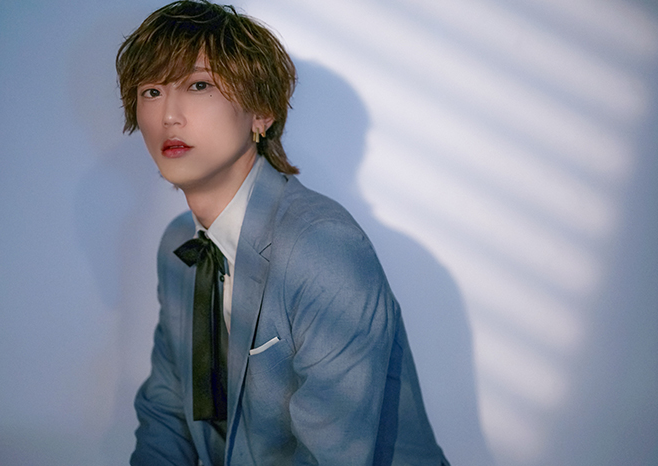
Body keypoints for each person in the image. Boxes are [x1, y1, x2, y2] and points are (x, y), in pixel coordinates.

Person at [116, 1, 449, 464]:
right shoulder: (180, 244)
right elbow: (167, 412)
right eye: (151, 91)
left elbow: (333, 452)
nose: (169, 115)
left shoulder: (324, 247)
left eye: (198, 85)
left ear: (261, 114)